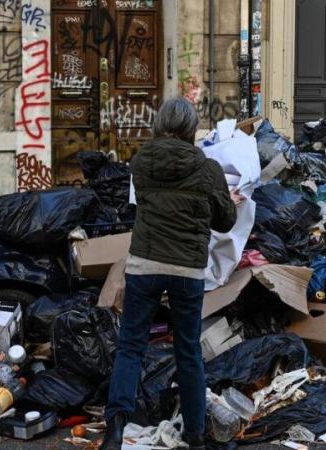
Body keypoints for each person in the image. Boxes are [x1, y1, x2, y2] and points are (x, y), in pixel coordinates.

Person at [101, 97, 240, 450]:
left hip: (145, 264)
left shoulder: (141, 162)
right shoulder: (207, 169)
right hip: (187, 270)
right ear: (192, 128)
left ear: (160, 124)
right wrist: (226, 199)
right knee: (188, 351)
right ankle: (195, 434)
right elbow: (225, 221)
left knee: (131, 346)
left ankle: (115, 430)